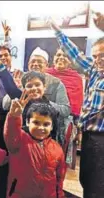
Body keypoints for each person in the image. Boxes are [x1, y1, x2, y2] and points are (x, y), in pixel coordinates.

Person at [49, 19, 104, 197]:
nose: (98, 60)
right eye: (95, 56)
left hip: (101, 139)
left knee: (97, 185)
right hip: (89, 136)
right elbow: (76, 54)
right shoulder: (96, 71)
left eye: (102, 55)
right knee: (87, 180)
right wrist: (58, 31)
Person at [4, 96, 66, 198]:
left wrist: (60, 195)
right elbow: (11, 134)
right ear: (28, 122)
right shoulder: (20, 140)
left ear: (52, 127)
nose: (41, 127)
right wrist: (14, 116)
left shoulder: (57, 148)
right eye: (36, 122)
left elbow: (60, 178)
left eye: (46, 124)